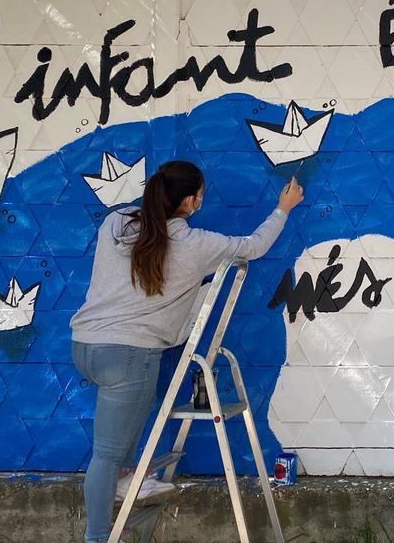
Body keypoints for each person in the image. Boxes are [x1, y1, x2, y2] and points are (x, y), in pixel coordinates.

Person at [69, 160, 303, 543]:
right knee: (107, 456)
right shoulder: (196, 245)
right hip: (131, 355)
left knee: (119, 443)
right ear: (192, 202)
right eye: (200, 198)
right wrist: (284, 208)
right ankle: (97, 537)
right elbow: (253, 247)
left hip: (85, 345)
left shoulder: (115, 223)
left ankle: (128, 481)